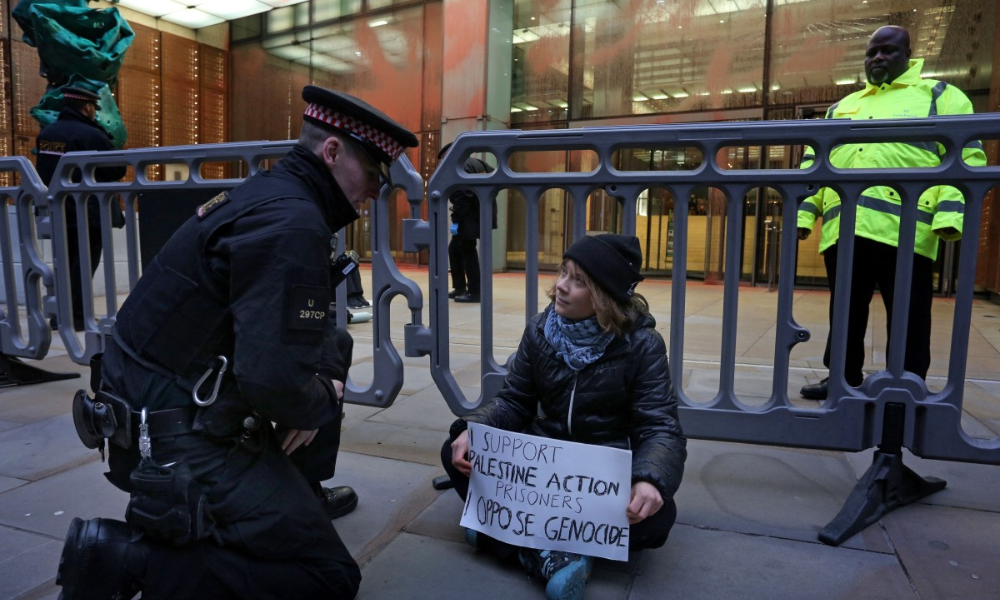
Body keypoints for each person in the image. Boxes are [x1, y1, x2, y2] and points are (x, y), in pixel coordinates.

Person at [55, 86, 417, 600]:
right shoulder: (292, 223)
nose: (376, 192)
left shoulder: (271, 195)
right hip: (174, 441)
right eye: (374, 176)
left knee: (331, 345)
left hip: (151, 406)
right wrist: (322, 398)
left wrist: (314, 386)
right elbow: (272, 383)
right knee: (329, 577)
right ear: (332, 152)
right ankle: (129, 559)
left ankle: (294, 497)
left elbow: (287, 341)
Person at [441, 234, 686, 600]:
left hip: (600, 476)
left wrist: (649, 480)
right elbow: (514, 401)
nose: (560, 286)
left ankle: (505, 536)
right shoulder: (540, 330)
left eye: (578, 281)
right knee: (455, 452)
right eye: (563, 273)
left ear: (604, 296)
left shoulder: (642, 345)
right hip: (542, 468)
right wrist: (475, 429)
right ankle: (556, 554)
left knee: (659, 518)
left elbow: (661, 427)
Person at [797, 25, 987, 400]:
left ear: (909, 54)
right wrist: (805, 214)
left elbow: (966, 157)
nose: (877, 58)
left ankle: (907, 382)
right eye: (871, 53)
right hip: (845, 228)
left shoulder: (940, 96)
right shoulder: (843, 106)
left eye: (887, 51)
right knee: (846, 312)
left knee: (909, 315)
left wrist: (949, 217)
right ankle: (841, 378)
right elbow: (814, 164)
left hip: (907, 231)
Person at [35, 86, 126, 332]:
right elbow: (117, 169)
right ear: (87, 107)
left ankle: (60, 315)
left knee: (63, 263)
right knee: (84, 265)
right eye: (94, 109)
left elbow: (44, 169)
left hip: (58, 208)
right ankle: (77, 317)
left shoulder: (48, 133)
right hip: (89, 211)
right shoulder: (91, 134)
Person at [441, 142, 496, 303]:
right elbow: (494, 175)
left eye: (444, 157)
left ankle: (475, 292)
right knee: (455, 249)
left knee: (467, 251)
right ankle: (460, 287)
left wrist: (456, 219)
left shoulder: (460, 166)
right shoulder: (477, 163)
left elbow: (463, 196)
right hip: (482, 213)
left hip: (469, 217)